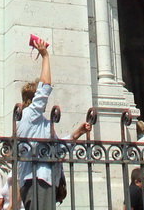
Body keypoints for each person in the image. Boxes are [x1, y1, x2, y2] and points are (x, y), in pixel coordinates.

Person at [16, 38, 92, 210]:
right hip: (37, 179)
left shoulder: (39, 122)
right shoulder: (29, 115)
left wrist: (76, 134)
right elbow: (45, 88)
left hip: (42, 179)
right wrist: (45, 56)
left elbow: (56, 148)